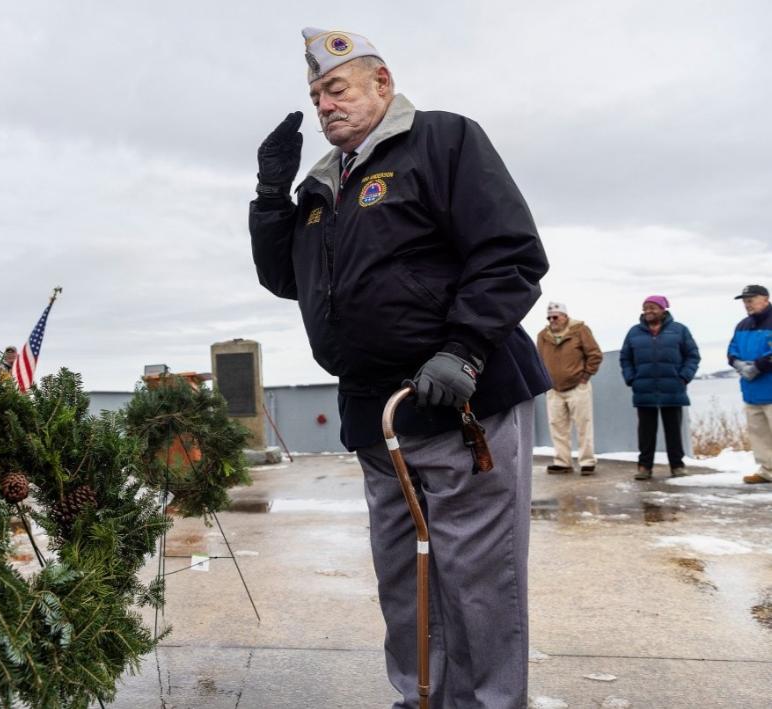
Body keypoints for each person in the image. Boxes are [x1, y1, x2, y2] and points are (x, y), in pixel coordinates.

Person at [249, 27, 550, 709]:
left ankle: (489, 702)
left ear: (381, 83)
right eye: (316, 96)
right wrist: (272, 196)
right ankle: (422, 696)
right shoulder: (324, 186)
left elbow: (510, 252)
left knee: (476, 577)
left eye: (336, 88)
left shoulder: (443, 141)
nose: (324, 106)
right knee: (405, 578)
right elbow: (284, 277)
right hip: (375, 416)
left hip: (460, 398)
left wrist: (465, 347)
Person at [619, 296, 700, 480]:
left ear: (663, 310)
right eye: (645, 308)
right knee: (646, 432)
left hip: (673, 388)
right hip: (644, 389)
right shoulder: (634, 332)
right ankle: (644, 467)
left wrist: (684, 377)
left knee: (673, 431)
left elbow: (693, 355)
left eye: (653, 307)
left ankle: (677, 465)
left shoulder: (679, 330)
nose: (648, 311)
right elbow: (625, 358)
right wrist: (631, 378)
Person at [536, 301, 603, 474]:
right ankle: (562, 461)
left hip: (577, 386)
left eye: (555, 316)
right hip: (554, 389)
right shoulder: (543, 335)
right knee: (557, 427)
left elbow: (594, 354)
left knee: (583, 425)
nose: (552, 320)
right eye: (549, 317)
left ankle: (587, 461)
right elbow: (538, 360)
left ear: (565, 316)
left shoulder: (580, 330)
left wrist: (586, 376)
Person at [727, 284, 772, 484]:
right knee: (759, 434)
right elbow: (732, 349)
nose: (747, 304)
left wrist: (757, 367)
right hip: (752, 391)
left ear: (765, 299)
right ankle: (767, 470)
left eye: (750, 300)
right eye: (745, 301)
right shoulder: (742, 325)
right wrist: (737, 363)